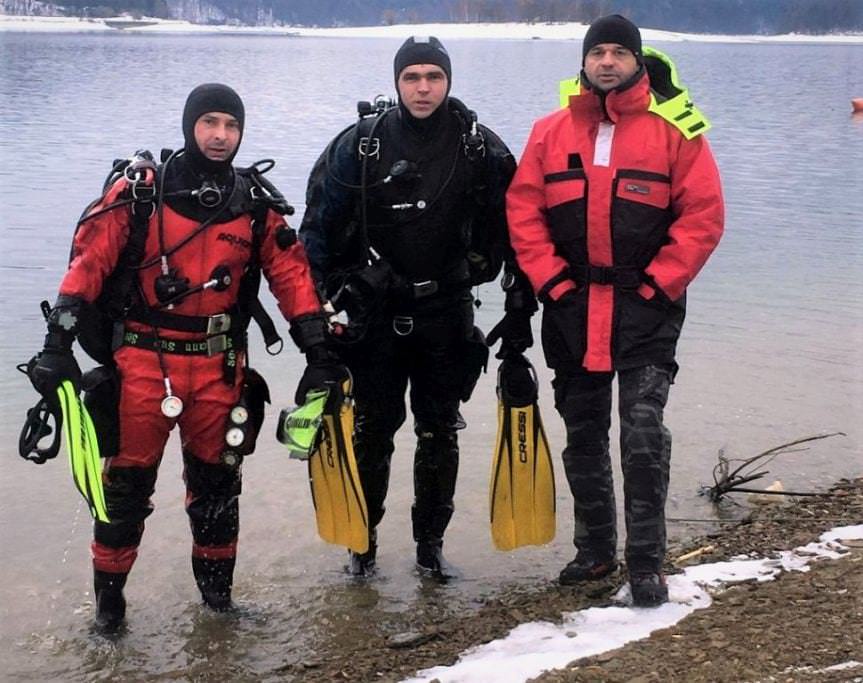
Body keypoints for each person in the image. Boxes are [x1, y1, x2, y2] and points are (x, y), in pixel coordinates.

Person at [27, 83, 346, 631]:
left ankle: (218, 607)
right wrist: (57, 345)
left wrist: (317, 351)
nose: (221, 136)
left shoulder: (254, 205)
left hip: (220, 369)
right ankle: (110, 611)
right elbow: (89, 264)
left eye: (231, 126)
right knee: (124, 492)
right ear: (190, 126)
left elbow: (292, 277)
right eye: (210, 123)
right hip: (142, 369)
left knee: (218, 491)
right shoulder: (140, 194)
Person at [506, 15, 724, 606]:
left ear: (636, 61)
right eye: (597, 51)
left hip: (647, 308)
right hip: (572, 307)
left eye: (618, 52)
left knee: (643, 433)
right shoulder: (549, 132)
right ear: (583, 62)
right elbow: (523, 211)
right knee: (582, 435)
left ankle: (647, 562)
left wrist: (659, 285)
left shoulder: (676, 130)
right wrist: (551, 282)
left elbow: (703, 217)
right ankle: (596, 550)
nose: (607, 61)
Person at [300, 36, 535, 580]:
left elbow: (522, 227)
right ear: (397, 81)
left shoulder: (480, 149)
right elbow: (314, 229)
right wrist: (314, 317)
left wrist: (521, 303)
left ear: (448, 81)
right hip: (374, 319)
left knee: (439, 432)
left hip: (446, 315)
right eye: (412, 77)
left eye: (433, 76)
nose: (423, 87)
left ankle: (430, 547)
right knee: (372, 433)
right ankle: (363, 545)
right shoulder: (360, 146)